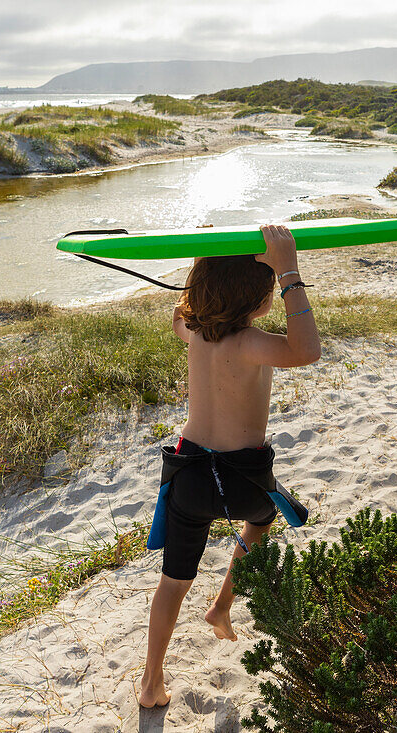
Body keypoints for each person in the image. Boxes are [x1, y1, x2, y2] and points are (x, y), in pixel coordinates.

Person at [138, 224, 320, 708]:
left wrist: (204, 252)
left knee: (173, 580)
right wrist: (288, 271)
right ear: (260, 301)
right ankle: (221, 606)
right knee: (260, 519)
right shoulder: (252, 342)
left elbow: (179, 311)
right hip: (244, 479)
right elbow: (307, 350)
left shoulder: (193, 330)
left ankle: (151, 681)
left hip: (191, 475)